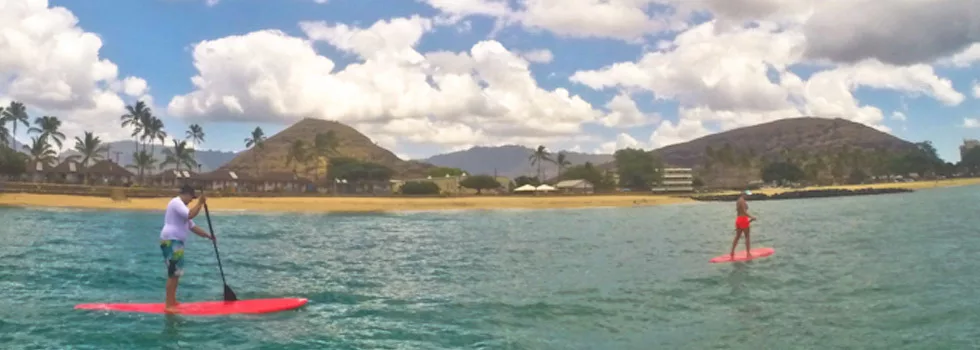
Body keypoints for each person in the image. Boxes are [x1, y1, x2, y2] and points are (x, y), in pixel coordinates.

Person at [160, 184, 214, 313]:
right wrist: (200, 203)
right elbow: (191, 215)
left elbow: (192, 226)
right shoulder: (176, 203)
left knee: (177, 273)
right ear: (186, 194)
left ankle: (172, 300)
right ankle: (168, 305)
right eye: (191, 197)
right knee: (173, 273)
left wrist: (208, 236)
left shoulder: (182, 208)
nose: (191, 200)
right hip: (171, 240)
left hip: (176, 241)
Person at [730, 190, 757, 260]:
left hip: (738, 219)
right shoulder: (742, 201)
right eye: (747, 194)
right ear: (743, 194)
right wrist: (752, 217)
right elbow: (744, 212)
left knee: (737, 236)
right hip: (743, 219)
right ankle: (748, 253)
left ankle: (732, 252)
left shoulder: (739, 200)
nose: (748, 196)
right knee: (747, 236)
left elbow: (740, 211)